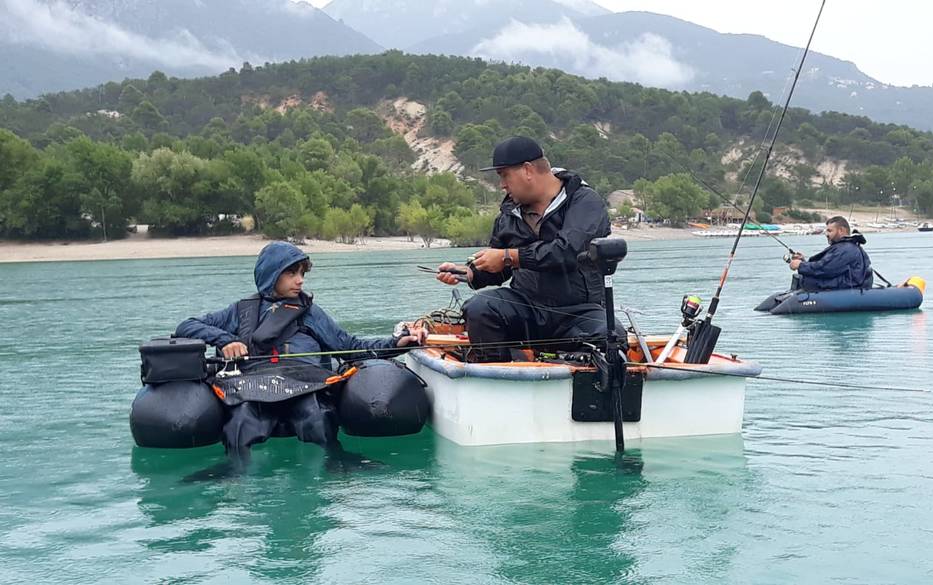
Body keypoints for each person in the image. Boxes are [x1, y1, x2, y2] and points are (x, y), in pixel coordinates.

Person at [175, 240, 426, 462]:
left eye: (302, 273)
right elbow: (187, 326)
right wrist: (225, 340)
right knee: (241, 422)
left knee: (316, 417)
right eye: (291, 273)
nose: (300, 280)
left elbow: (350, 347)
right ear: (271, 275)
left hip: (307, 387)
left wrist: (396, 343)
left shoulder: (311, 313)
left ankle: (331, 463)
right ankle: (236, 474)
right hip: (254, 388)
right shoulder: (240, 311)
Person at [435, 136, 614, 362]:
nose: (502, 184)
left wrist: (509, 256)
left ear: (528, 170)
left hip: (579, 312)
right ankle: (497, 374)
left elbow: (568, 252)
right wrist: (469, 273)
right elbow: (500, 267)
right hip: (526, 308)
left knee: (610, 335)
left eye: (504, 175)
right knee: (480, 308)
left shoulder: (585, 202)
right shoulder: (508, 214)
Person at [789, 216, 873, 291]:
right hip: (842, 285)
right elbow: (825, 265)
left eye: (830, 231)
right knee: (802, 279)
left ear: (841, 230)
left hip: (849, 288)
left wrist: (800, 265)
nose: (826, 234)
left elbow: (825, 269)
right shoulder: (843, 247)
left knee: (807, 281)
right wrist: (803, 262)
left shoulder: (846, 249)